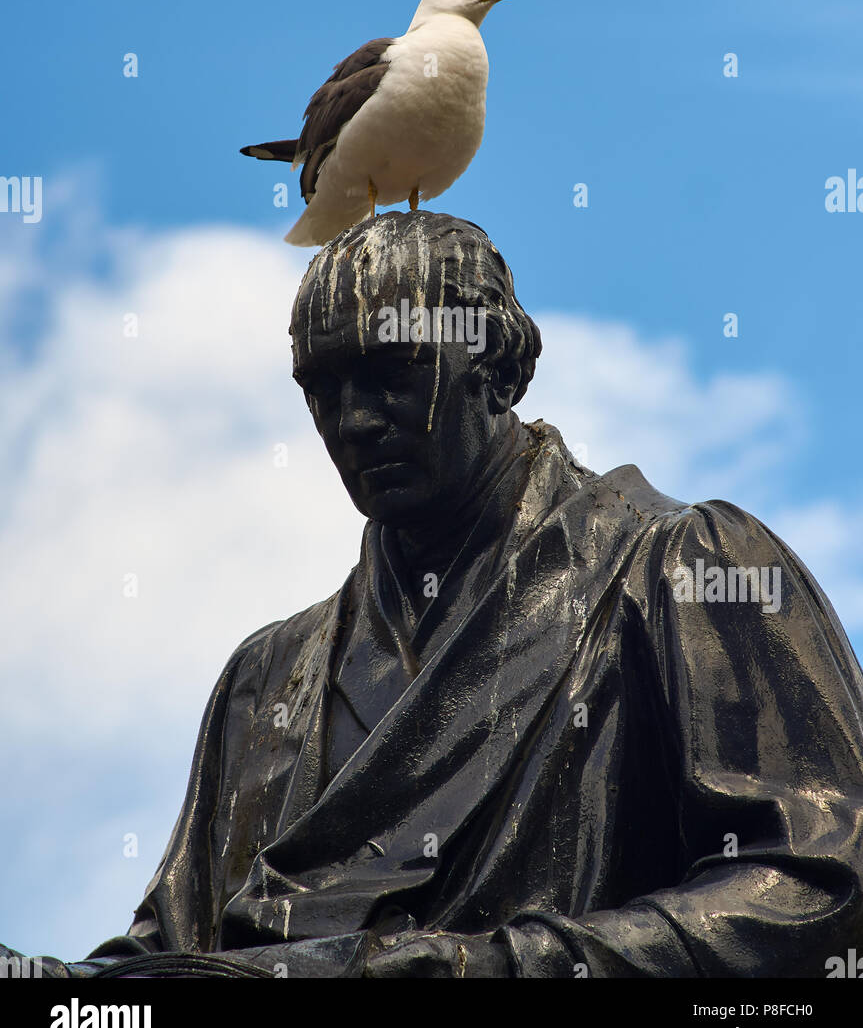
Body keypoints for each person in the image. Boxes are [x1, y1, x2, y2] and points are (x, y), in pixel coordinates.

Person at [7, 211, 863, 978]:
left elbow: (820, 888)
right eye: (322, 388)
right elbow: (167, 964)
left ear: (495, 368)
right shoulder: (266, 681)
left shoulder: (679, 570)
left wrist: (469, 971)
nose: (352, 422)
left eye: (390, 375)